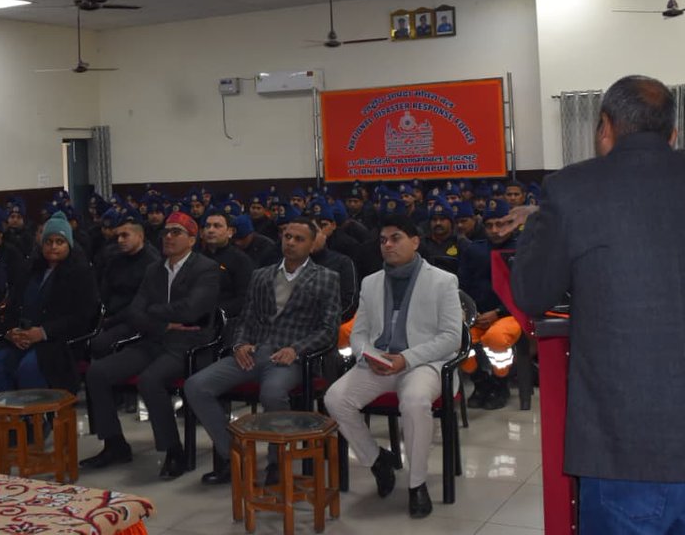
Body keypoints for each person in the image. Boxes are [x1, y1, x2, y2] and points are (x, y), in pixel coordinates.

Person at [508, 75, 685, 533]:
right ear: (673, 133)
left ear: (604, 127)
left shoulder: (571, 188)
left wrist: (536, 224)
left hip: (627, 447)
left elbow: (533, 293)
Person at [323, 214, 461, 519]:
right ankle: (377, 460)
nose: (387, 245)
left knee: (413, 402)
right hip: (380, 363)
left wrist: (407, 359)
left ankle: (417, 484)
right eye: (383, 240)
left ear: (415, 241)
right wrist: (370, 355)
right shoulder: (371, 282)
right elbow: (359, 333)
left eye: (395, 238)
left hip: (422, 363)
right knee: (334, 399)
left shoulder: (442, 280)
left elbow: (452, 337)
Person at [183, 218, 340, 486]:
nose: (290, 242)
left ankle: (277, 462)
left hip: (292, 357)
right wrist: (240, 344)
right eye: (287, 236)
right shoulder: (262, 275)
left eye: (298, 239)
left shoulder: (326, 278)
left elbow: (328, 330)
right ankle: (235, 455)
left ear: (313, 244)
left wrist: (296, 349)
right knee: (196, 385)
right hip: (255, 351)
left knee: (272, 393)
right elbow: (246, 318)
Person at [81, 211, 221, 480]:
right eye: (166, 232)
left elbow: (192, 310)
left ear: (192, 240)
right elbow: (135, 312)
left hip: (189, 346)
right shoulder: (154, 269)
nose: (168, 236)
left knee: (150, 380)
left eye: (176, 232)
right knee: (97, 373)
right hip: (153, 339)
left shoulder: (206, 268)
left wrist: (154, 311)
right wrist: (163, 323)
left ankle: (173, 451)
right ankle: (114, 444)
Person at [0, 213, 99, 395]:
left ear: (69, 244)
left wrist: (42, 333)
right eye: (48, 242)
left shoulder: (81, 272)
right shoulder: (30, 269)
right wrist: (10, 332)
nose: (53, 247)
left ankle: (36, 421)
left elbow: (82, 317)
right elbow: (13, 307)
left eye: (60, 242)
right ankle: (8, 419)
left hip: (58, 342)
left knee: (29, 368)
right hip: (23, 337)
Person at [456, 199, 522, 410]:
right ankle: (481, 382)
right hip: (477, 314)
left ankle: (501, 383)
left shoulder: (524, 249)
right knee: (456, 339)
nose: (494, 230)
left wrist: (498, 312)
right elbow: (462, 286)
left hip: (512, 314)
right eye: (489, 225)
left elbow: (528, 290)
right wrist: (470, 313)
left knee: (495, 339)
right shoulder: (474, 251)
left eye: (500, 224)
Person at [90, 216, 161, 358]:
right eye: (118, 236)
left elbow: (140, 305)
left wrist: (109, 321)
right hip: (110, 316)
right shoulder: (115, 259)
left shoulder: (152, 264)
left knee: (98, 343)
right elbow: (104, 292)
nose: (120, 240)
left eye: (125, 235)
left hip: (134, 320)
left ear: (140, 236)